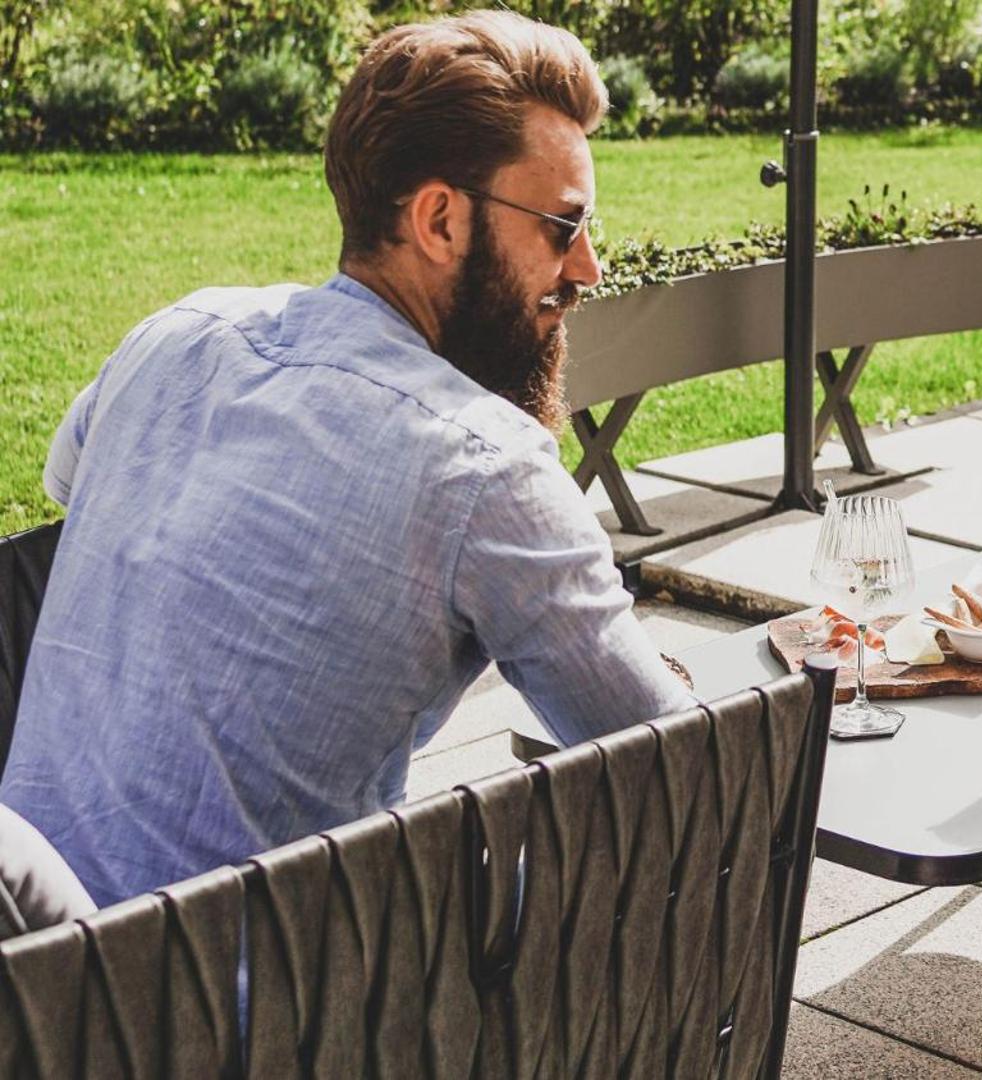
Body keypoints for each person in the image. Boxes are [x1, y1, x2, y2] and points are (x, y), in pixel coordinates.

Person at [0, 11, 696, 908]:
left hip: (31, 942)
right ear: (439, 220)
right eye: (563, 228)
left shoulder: (174, 334)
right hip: (245, 983)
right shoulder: (484, 466)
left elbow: (70, 494)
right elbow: (670, 756)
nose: (588, 267)